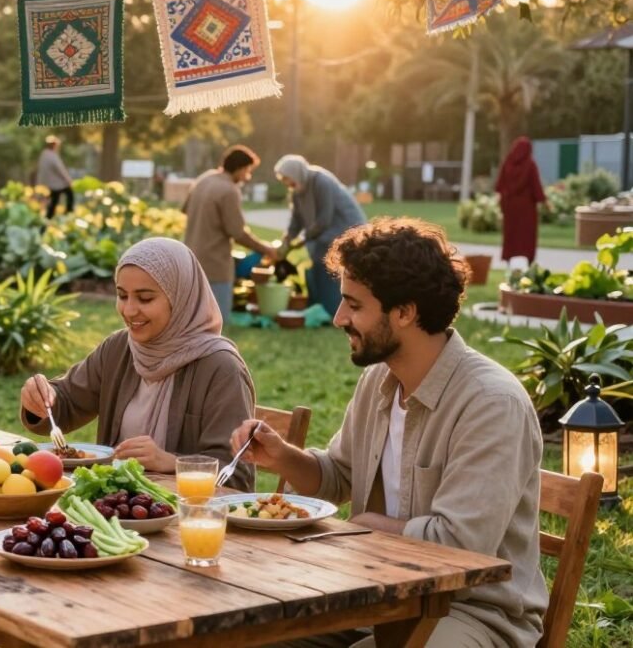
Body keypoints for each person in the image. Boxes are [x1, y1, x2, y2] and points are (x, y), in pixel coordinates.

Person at [230, 219, 547, 647]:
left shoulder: (491, 404)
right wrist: (282, 455)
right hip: (374, 593)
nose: (340, 317)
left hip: (471, 612)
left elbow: (459, 546)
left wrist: (364, 527)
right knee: (249, 634)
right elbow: (339, 476)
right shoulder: (380, 379)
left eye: (354, 305)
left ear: (404, 312)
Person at [19, 237, 255, 485]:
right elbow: (65, 404)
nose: (129, 311)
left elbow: (236, 474)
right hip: (115, 507)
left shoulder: (220, 368)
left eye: (145, 299)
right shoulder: (119, 348)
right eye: (122, 296)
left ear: (180, 298)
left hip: (183, 516)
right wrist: (40, 400)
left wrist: (169, 462)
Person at [182, 145, 279, 321]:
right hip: (215, 265)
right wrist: (266, 249)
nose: (247, 177)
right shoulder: (229, 190)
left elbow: (185, 209)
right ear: (240, 168)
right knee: (216, 322)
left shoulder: (203, 179)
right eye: (248, 171)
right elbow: (238, 233)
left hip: (191, 259)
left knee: (192, 320)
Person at [274, 155, 366, 316]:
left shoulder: (321, 182)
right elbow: (296, 220)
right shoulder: (297, 190)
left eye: (288, 179)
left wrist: (304, 239)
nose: (287, 184)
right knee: (314, 267)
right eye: (284, 181)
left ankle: (332, 311)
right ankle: (317, 308)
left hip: (345, 229)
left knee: (327, 268)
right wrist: (288, 238)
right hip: (323, 235)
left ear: (296, 173)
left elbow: (324, 218)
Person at [496, 137, 548, 265]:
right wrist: (545, 202)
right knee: (526, 234)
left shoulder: (507, 163)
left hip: (510, 206)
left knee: (511, 233)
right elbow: (536, 185)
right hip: (526, 207)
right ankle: (527, 258)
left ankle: (509, 257)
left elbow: (500, 185)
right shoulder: (530, 164)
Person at [36, 135, 74, 218]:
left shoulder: (44, 154)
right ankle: (68, 213)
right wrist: (69, 180)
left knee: (53, 203)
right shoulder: (52, 156)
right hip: (56, 185)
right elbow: (60, 170)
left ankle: (48, 217)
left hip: (48, 184)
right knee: (69, 194)